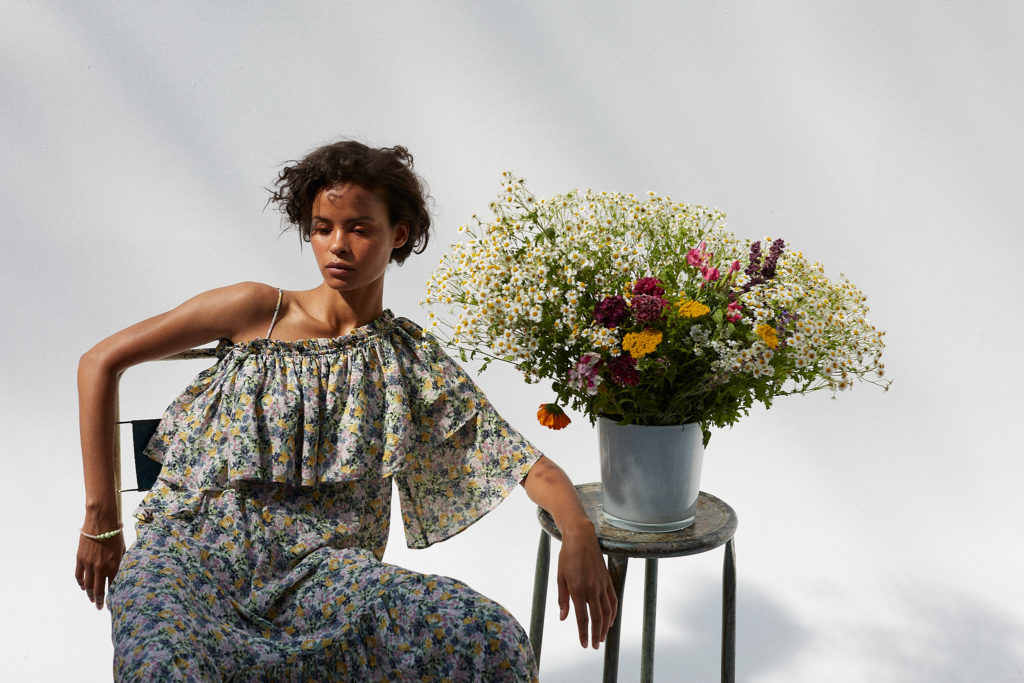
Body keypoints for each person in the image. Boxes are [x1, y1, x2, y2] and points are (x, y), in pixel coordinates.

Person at [75, 140, 616, 680]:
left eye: (358, 228)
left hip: (324, 577)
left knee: (490, 636)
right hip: (192, 557)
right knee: (163, 666)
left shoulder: (405, 359)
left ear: (398, 234)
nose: (337, 245)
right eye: (322, 228)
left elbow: (523, 462)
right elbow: (100, 362)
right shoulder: (258, 309)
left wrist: (578, 531)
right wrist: (102, 522)